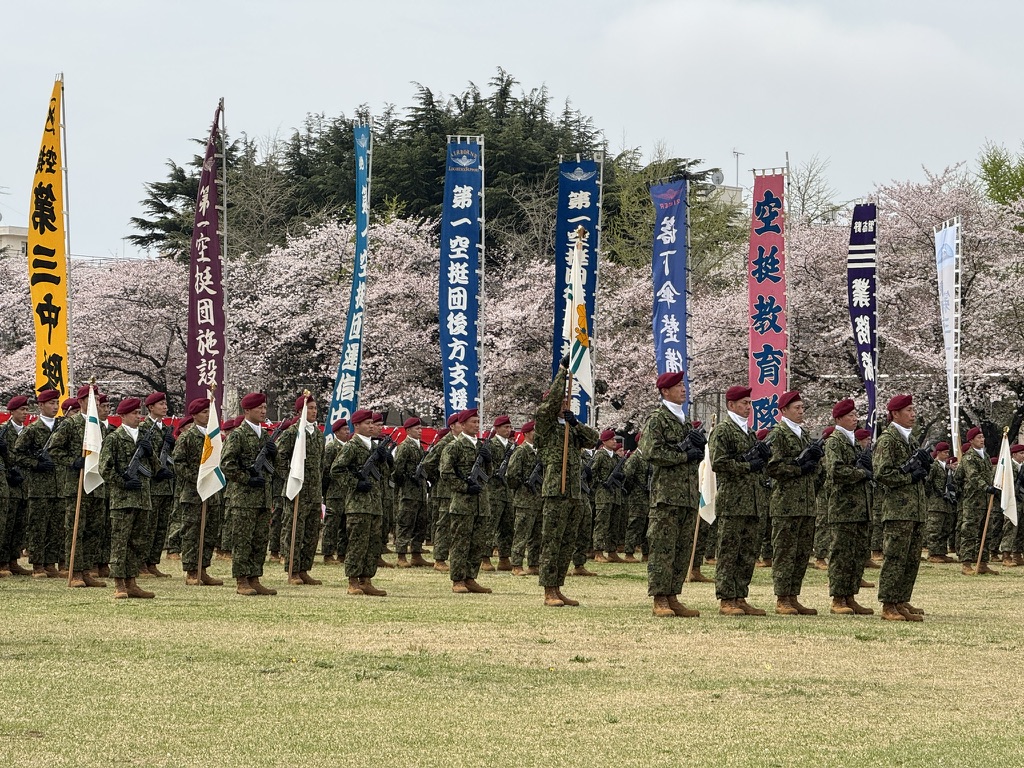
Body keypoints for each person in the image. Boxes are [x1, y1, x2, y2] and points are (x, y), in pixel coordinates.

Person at [638, 371, 703, 618]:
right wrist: (683, 455)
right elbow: (651, 451)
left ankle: (673, 595)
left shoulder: (684, 420)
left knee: (681, 548)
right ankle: (659, 598)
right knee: (663, 548)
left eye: (683, 385)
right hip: (666, 496)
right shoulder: (658, 419)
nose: (683, 389)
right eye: (678, 386)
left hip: (686, 495)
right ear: (665, 391)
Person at [535, 360, 599, 607]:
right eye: (560, 402)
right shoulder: (546, 424)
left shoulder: (571, 428)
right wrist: (563, 372)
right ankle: (548, 589)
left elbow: (593, 440)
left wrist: (575, 423)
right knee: (552, 540)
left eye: (566, 402)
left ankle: (559, 586)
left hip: (573, 491)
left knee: (566, 541)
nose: (564, 405)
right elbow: (549, 405)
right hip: (555, 489)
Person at [709, 385, 770, 616]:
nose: (748, 407)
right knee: (729, 551)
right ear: (731, 405)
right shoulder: (724, 430)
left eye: (750, 403)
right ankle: (726, 599)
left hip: (751, 500)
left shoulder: (749, 431)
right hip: (733, 501)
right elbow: (719, 463)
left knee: (747, 552)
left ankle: (740, 595)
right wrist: (747, 465)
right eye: (744, 403)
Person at [765, 390, 824, 616]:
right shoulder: (778, 434)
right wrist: (798, 467)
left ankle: (793, 595)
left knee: (801, 553)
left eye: (802, 408)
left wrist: (814, 465)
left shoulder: (804, 435)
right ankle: (782, 598)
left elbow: (816, 469)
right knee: (785, 552)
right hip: (786, 503)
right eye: (796, 408)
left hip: (806, 503)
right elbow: (773, 467)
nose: (801, 412)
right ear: (784, 411)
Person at [873, 394, 930, 620]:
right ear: (895, 414)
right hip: (898, 510)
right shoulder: (888, 440)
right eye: (908, 410)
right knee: (895, 558)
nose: (913, 414)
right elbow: (882, 473)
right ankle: (889, 604)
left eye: (913, 410)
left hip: (914, 509)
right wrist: (909, 477)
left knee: (911, 558)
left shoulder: (910, 440)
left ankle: (901, 599)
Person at [221, 393, 278, 596]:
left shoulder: (264, 436)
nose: (263, 411)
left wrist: (274, 454)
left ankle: (255, 577)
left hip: (263, 498)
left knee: (260, 540)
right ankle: (241, 580)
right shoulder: (238, 435)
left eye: (265, 407)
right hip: (243, 498)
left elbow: (276, 469)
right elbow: (227, 464)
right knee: (242, 540)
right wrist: (247, 478)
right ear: (247, 411)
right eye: (259, 408)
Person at [98, 397, 156, 599]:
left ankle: (132, 581)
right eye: (133, 413)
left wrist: (150, 453)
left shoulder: (144, 438)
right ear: (122, 416)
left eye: (139, 413)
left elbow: (156, 470)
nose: (138, 417)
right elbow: (104, 469)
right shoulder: (114, 438)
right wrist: (122, 482)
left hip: (142, 498)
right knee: (120, 542)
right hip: (123, 500)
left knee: (137, 542)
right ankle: (119, 583)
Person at [824, 399, 874, 616]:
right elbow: (836, 471)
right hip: (843, 507)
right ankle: (838, 598)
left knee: (856, 554)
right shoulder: (835, 441)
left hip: (859, 506)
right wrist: (862, 474)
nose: (855, 419)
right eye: (851, 416)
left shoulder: (852, 441)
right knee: (842, 554)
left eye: (856, 415)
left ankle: (850, 596)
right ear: (838, 419)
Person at [331, 409, 389, 596]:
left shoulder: (374, 447)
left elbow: (385, 474)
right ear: (356, 426)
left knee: (372, 544)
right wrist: (356, 483)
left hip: (374, 504)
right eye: (367, 423)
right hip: (358, 504)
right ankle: (353, 581)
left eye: (372, 423)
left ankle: (366, 579)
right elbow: (337, 470)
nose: (371, 426)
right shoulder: (352, 446)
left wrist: (385, 458)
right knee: (357, 543)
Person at [170, 397, 223, 586]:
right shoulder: (187, 437)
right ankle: (192, 571)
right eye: (204, 412)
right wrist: (198, 477)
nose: (208, 415)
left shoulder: (214, 436)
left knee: (209, 532)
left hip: (211, 491)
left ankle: (203, 568)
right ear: (194, 415)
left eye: (209, 412)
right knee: (192, 533)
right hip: (193, 493)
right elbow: (179, 464)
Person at [440, 408, 494, 594]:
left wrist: (488, 461)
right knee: (460, 542)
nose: (476, 425)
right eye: (472, 422)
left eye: (478, 422)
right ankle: (458, 580)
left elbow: (489, 475)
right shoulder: (453, 447)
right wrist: (464, 487)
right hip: (463, 503)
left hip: (481, 504)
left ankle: (471, 578)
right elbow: (446, 473)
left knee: (477, 543)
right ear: (462, 425)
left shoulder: (481, 447)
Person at [13, 389, 64, 578]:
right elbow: (18, 454)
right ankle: (38, 564)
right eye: (51, 403)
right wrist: (36, 464)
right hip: (39, 487)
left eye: (56, 403)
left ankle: (51, 563)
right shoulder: (32, 430)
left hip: (59, 485)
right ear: (41, 406)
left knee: (56, 526)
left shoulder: (61, 427)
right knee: (38, 526)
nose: (55, 407)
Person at [277, 394, 325, 586]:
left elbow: (321, 463)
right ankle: (292, 570)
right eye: (310, 408)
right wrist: (289, 480)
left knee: (311, 534)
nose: (313, 411)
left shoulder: (318, 435)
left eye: (315, 408)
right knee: (294, 532)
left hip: (313, 492)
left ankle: (304, 569)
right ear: (300, 411)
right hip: (296, 491)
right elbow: (280, 459)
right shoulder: (292, 434)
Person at [139, 392, 175, 579]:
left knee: (161, 527)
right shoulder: (144, 427)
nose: (165, 407)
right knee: (148, 527)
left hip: (165, 485)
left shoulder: (164, 428)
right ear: (151, 407)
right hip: (151, 484)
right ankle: (141, 564)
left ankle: (153, 562)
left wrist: (172, 443)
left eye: (165, 404)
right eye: (160, 404)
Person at [955, 426, 999, 575]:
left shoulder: (985, 456)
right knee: (969, 532)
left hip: (987, 501)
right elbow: (973, 477)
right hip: (973, 501)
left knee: (986, 533)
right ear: (971, 440)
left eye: (982, 437)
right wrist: (986, 487)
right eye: (979, 437)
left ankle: (983, 563)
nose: (982, 440)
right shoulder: (969, 457)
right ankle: (966, 563)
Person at [420, 413, 461, 572]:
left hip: (457, 490)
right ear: (452, 426)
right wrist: (438, 478)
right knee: (443, 524)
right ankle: (439, 558)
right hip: (444, 490)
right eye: (459, 423)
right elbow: (427, 463)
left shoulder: (460, 442)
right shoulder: (445, 443)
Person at [393, 417, 431, 567]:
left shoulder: (419, 446)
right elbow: (398, 470)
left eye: (420, 428)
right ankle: (401, 556)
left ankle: (416, 554)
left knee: (420, 523)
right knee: (405, 523)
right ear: (408, 430)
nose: (420, 431)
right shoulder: (405, 446)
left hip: (420, 491)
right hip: (408, 492)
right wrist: (406, 482)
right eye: (417, 429)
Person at [507, 420, 542, 576]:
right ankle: (516, 564)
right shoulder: (521, 452)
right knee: (522, 533)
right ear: (527, 433)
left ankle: (534, 564)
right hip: (524, 500)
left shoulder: (541, 452)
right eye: (535, 431)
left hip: (539, 498)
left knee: (537, 534)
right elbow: (512, 475)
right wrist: (523, 486)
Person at [1, 396, 32, 576]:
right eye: (21, 410)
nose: (25, 413)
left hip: (24, 482)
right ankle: (3, 561)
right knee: (7, 523)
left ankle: (13, 560)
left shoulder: (27, 432)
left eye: (26, 410)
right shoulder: (4, 431)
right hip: (8, 481)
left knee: (20, 524)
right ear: (11, 412)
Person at [483, 415, 516, 572]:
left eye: (509, 427)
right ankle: (485, 557)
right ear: (496, 429)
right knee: (490, 525)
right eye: (505, 427)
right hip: (493, 491)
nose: (508, 430)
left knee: (507, 526)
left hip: (507, 492)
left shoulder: (511, 446)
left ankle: (504, 557)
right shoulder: (490, 445)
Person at [592, 428, 625, 564]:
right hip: (603, 495)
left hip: (615, 495)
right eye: (611, 439)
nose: (614, 441)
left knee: (614, 524)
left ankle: (612, 551)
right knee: (602, 523)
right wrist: (601, 483)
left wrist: (621, 476)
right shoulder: (600, 455)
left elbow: (623, 474)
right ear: (604, 441)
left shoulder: (616, 457)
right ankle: (598, 552)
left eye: (614, 439)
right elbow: (592, 473)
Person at [322, 419, 350, 565]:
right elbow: (326, 470)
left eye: (348, 429)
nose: (347, 432)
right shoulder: (332, 448)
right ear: (337, 432)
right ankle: (328, 554)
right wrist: (325, 491)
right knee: (332, 524)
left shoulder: (348, 447)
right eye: (345, 429)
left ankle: (342, 553)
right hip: (334, 492)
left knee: (345, 524)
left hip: (346, 493)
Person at [924, 442, 957, 564]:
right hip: (936, 503)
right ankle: (933, 553)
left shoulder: (946, 468)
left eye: (948, 452)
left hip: (946, 503)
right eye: (945, 452)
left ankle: (941, 552)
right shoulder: (934, 466)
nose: (947, 455)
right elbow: (928, 483)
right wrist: (932, 495)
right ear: (938, 453)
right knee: (934, 529)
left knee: (945, 529)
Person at [623, 435, 650, 562]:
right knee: (635, 524)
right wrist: (635, 487)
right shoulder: (635, 458)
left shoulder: (648, 457)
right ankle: (629, 552)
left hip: (648, 496)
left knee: (647, 525)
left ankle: (646, 553)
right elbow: (627, 474)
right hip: (637, 497)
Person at [998, 444, 1024, 566]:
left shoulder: (1022, 467)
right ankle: (1006, 555)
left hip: (1022, 500)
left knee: (1021, 529)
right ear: (1014, 455)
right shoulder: (1009, 466)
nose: (1023, 456)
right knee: (1010, 527)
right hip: (1011, 501)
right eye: (1021, 453)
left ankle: (1018, 554)